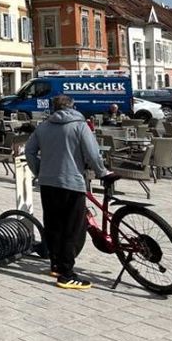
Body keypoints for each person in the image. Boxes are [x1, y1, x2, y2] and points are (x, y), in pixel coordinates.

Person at [24, 94, 109, 291]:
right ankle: (67, 274)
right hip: (72, 182)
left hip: (48, 183)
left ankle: (56, 264)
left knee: (53, 225)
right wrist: (102, 172)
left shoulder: (43, 126)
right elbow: (93, 153)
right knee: (72, 229)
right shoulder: (80, 125)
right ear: (72, 106)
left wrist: (39, 170)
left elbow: (29, 151)